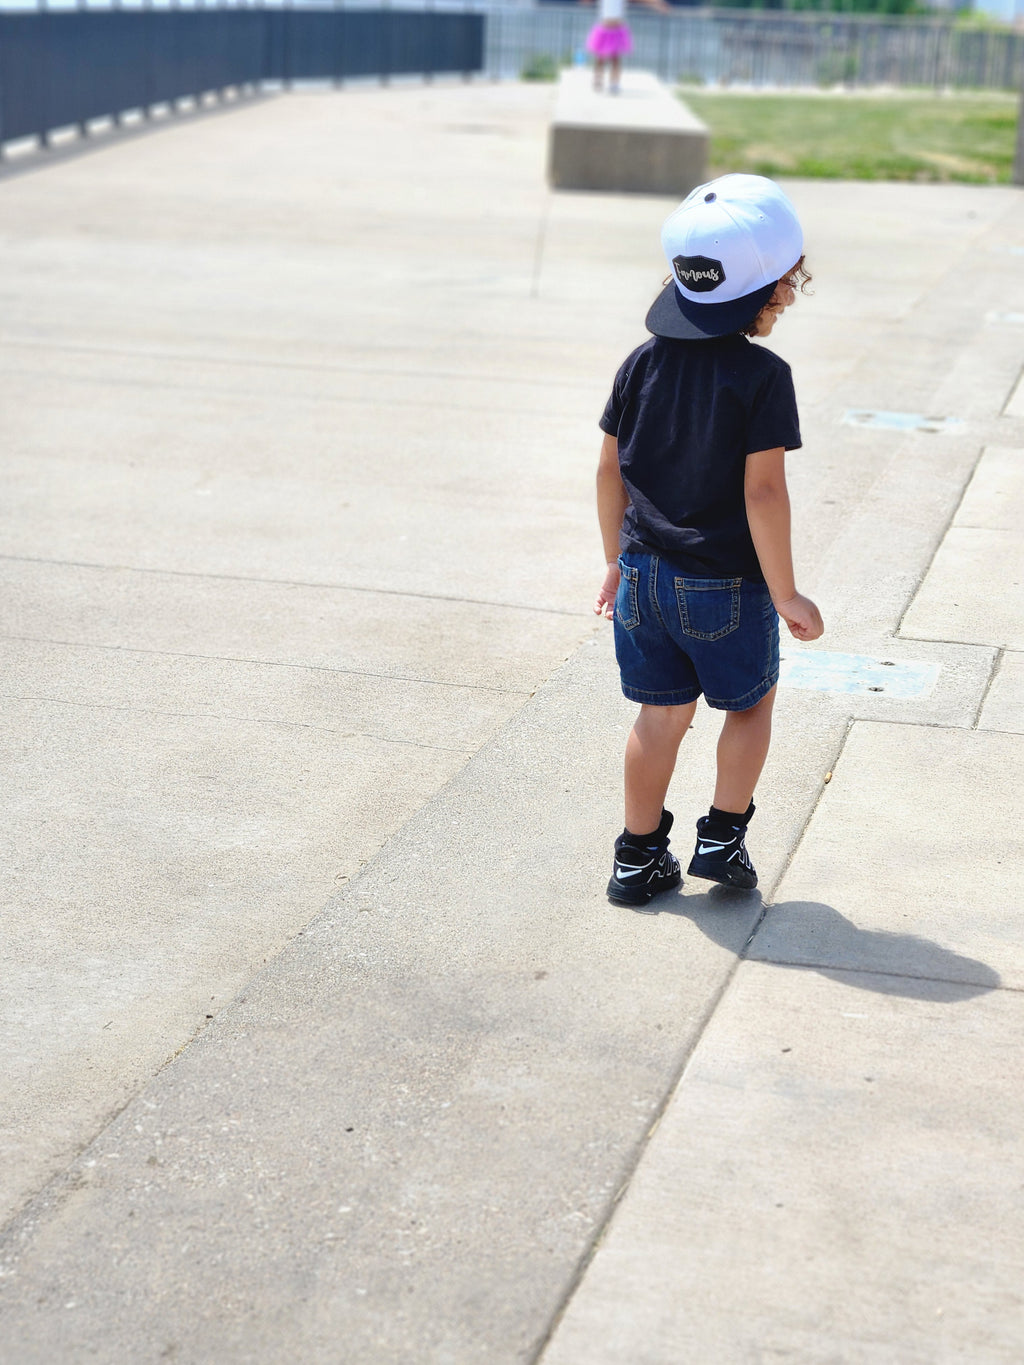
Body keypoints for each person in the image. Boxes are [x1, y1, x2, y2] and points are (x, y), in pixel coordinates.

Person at [593, 173, 824, 906]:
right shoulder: (763, 378)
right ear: (773, 290)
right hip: (725, 583)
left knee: (659, 716)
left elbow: (608, 470)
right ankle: (722, 838)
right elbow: (762, 491)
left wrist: (614, 561)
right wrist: (785, 591)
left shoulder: (641, 362)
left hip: (642, 577)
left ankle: (637, 859)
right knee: (749, 704)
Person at [582, 0, 667, 94]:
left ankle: (614, 82)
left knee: (615, 58)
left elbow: (641, 1)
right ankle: (598, 78)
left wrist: (657, 4)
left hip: (617, 29)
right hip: (604, 28)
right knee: (600, 58)